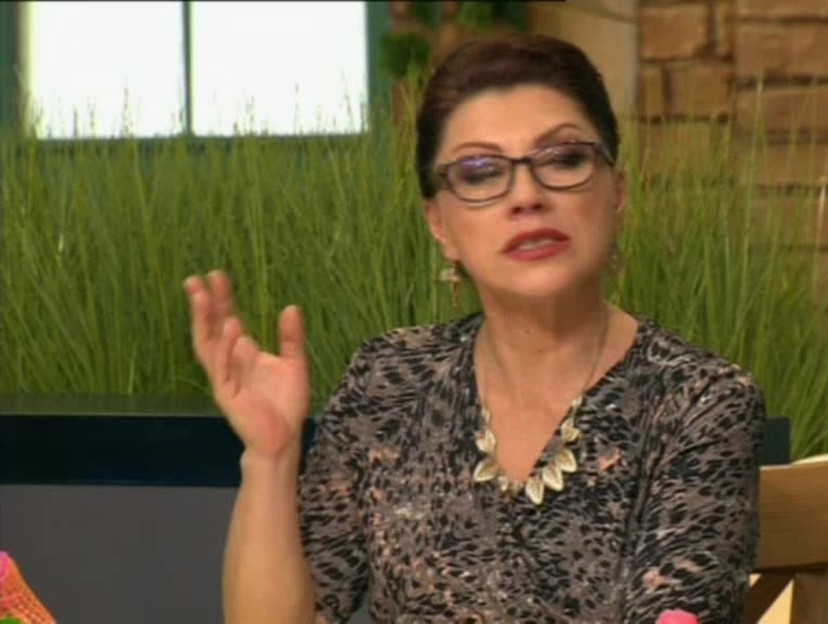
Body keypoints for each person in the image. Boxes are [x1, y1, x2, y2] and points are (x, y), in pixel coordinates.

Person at [182, 33, 766, 624]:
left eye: (563, 159)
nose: (527, 196)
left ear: (617, 193)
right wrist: (271, 457)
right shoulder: (390, 381)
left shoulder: (698, 401)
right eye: (481, 172)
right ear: (439, 224)